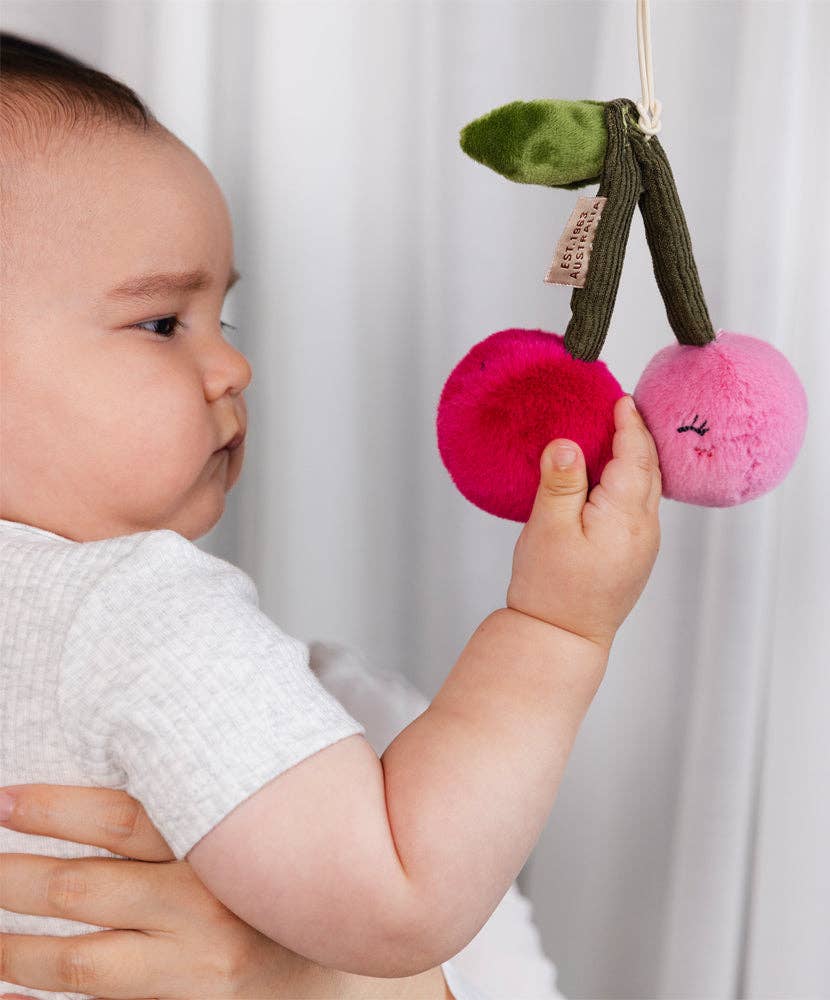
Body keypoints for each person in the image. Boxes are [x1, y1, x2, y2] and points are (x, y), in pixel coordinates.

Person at [0, 29, 661, 1000]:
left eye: (219, 319)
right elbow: (400, 893)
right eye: (159, 323)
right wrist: (554, 629)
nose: (232, 367)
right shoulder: (131, 609)